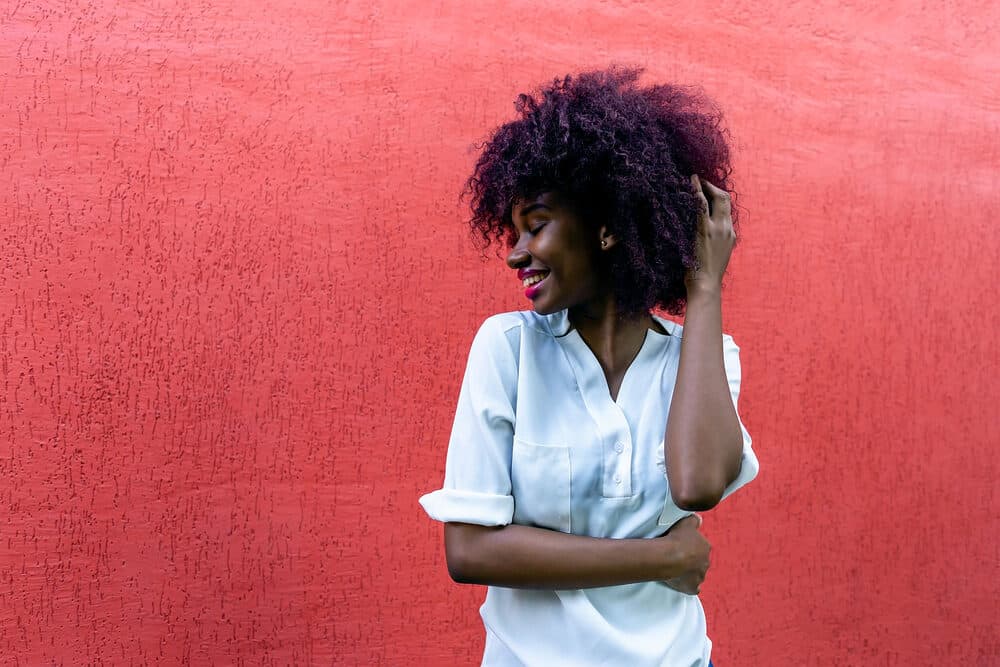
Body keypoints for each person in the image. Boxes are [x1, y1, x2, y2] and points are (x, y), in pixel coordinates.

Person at [419, 66, 759, 667]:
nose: (514, 254)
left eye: (537, 226)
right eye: (513, 230)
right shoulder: (508, 349)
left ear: (606, 229)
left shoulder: (704, 357)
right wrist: (663, 558)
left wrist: (705, 287)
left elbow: (698, 484)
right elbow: (470, 550)